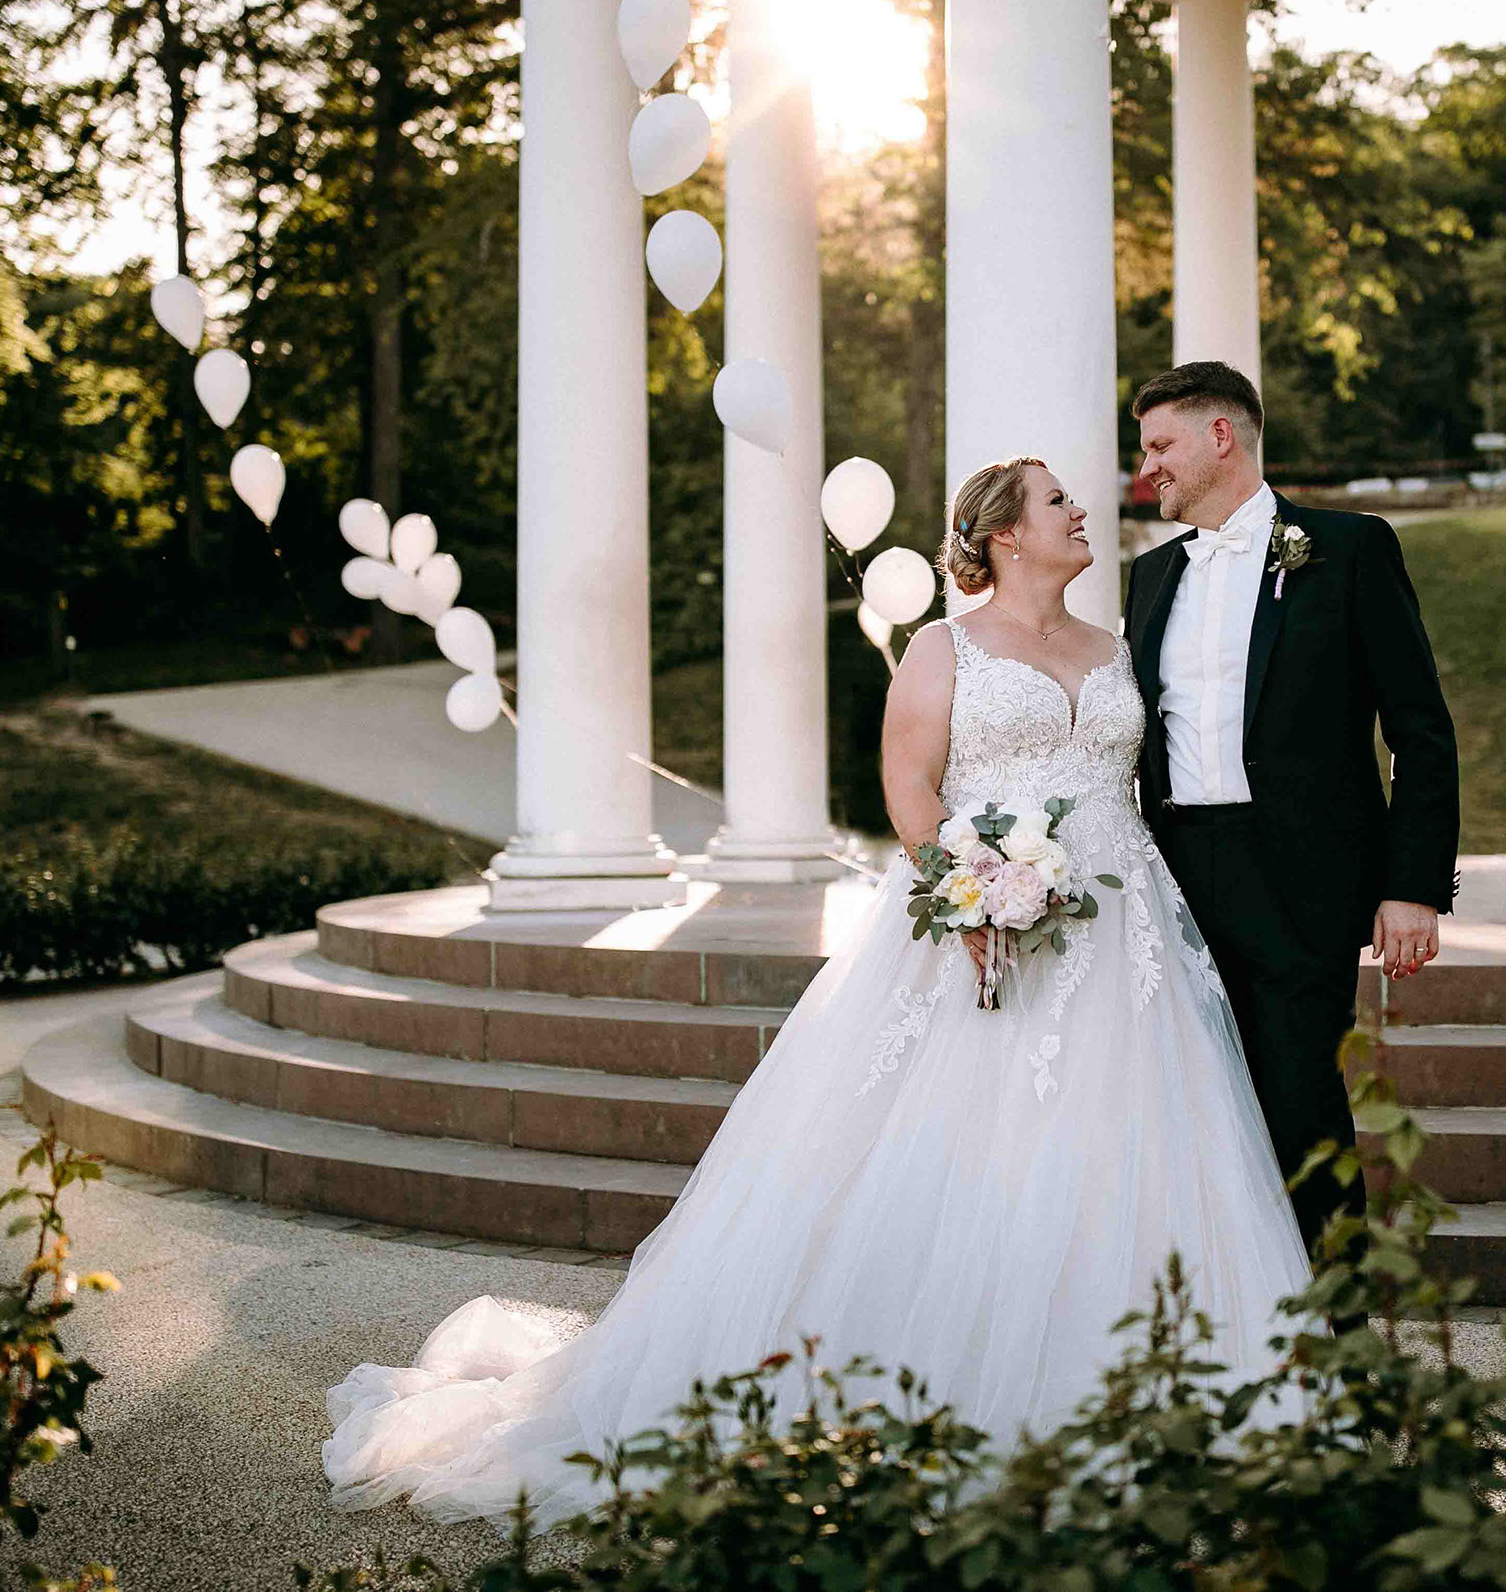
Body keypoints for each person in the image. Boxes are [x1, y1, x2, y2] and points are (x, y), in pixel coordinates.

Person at [321, 456, 1311, 1526]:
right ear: (1004, 535)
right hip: (982, 919)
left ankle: (1158, 1388)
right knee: (963, 1138)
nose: (1081, 511)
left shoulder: (1116, 646)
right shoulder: (943, 648)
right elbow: (908, 783)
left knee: (1134, 1139)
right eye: (1059, 501)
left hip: (1124, 932)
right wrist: (972, 895)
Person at [1125, 361, 1461, 1254]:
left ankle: (1335, 1329)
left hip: (1301, 883)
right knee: (1197, 1103)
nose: (1147, 467)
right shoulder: (1150, 576)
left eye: (1162, 445)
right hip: (1177, 881)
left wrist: (1413, 885)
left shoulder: (1348, 548)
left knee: (1301, 1098)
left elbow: (1419, 728)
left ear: (1220, 436)